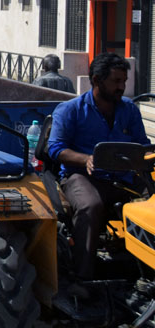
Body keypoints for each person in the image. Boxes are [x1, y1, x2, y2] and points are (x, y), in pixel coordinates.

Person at [47, 53, 148, 281]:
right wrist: (86, 159)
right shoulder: (70, 109)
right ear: (96, 80)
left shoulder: (129, 109)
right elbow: (56, 149)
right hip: (81, 176)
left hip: (124, 177)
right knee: (91, 206)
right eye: (116, 81)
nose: (121, 87)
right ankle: (82, 277)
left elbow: (142, 144)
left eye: (124, 81)